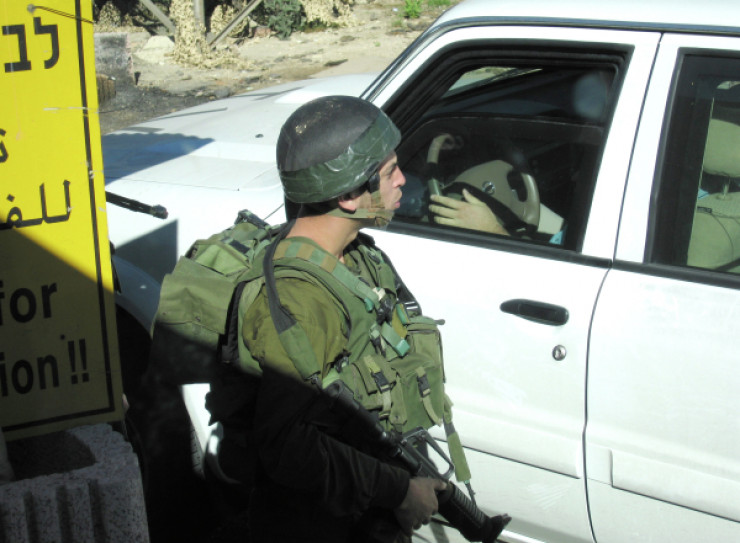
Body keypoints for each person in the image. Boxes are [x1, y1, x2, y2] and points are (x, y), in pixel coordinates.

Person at [239, 96, 450, 543]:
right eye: (389, 171)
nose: (403, 180)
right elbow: (284, 445)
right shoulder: (301, 299)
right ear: (348, 195)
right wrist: (398, 491)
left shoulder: (356, 256)